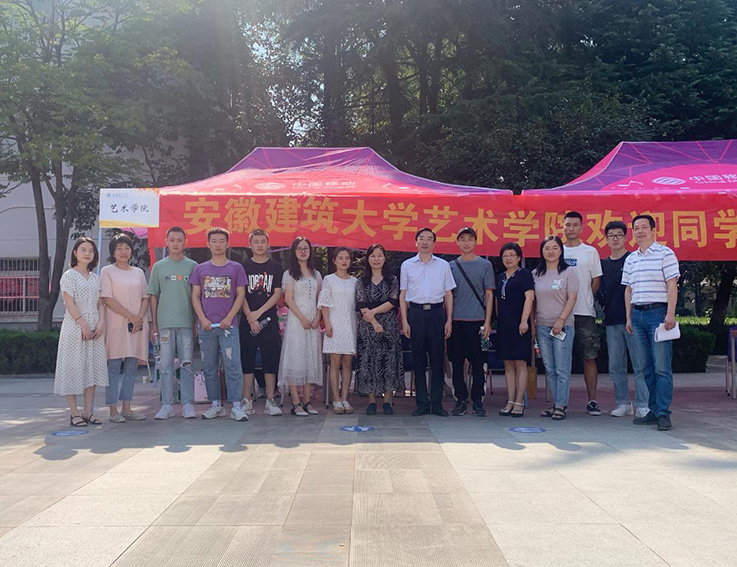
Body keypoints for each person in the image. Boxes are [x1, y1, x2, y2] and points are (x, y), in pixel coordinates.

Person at [623, 215, 680, 431]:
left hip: (658, 314)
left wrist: (670, 314)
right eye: (636, 228)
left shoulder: (665, 253)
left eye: (643, 227)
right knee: (645, 367)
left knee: (662, 367)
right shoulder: (631, 259)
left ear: (653, 230)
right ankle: (654, 410)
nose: (639, 231)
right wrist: (628, 317)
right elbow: (628, 290)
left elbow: (672, 285)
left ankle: (664, 413)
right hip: (637, 316)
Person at [190, 227, 249, 422]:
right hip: (207, 327)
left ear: (227, 243)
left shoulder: (236, 268)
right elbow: (195, 296)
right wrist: (202, 318)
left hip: (229, 327)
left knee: (233, 365)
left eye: (221, 241)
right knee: (209, 366)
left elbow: (240, 295)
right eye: (214, 241)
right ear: (208, 244)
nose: (217, 244)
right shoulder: (200, 269)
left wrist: (230, 317)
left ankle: (236, 405)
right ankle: (215, 404)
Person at [399, 228, 456, 417]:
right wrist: (405, 320)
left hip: (437, 314)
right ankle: (422, 403)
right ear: (416, 242)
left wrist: (448, 320)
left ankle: (437, 403)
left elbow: (448, 294)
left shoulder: (443, 265)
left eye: (429, 239)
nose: (425, 242)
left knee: (438, 360)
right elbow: (403, 294)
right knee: (418, 361)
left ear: (434, 243)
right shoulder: (407, 265)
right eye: (421, 238)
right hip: (415, 314)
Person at [54, 237, 108, 427]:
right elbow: (69, 303)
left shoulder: (95, 278)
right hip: (75, 327)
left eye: (91, 251)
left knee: (91, 368)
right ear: (75, 253)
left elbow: (100, 302)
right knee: (72, 367)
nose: (87, 253)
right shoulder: (69, 276)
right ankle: (74, 412)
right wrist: (83, 324)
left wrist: (101, 322)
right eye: (83, 249)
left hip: (95, 327)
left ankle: (88, 411)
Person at [148, 226, 198, 420]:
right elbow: (153, 295)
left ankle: (187, 404)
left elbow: (197, 296)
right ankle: (167, 405)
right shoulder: (159, 267)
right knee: (165, 366)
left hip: (186, 322)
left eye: (179, 240)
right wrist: (154, 323)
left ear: (185, 242)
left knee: (187, 365)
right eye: (172, 240)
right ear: (166, 242)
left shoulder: (193, 266)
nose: (176, 244)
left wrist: (196, 320)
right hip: (165, 324)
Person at [599, 221, 648, 418]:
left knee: (639, 364)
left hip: (633, 320)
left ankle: (643, 404)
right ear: (606, 239)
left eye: (619, 235)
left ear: (626, 237)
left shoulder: (634, 259)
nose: (615, 239)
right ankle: (623, 403)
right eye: (611, 236)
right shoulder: (603, 264)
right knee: (615, 366)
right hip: (612, 320)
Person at [101, 233, 149, 423]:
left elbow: (145, 297)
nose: (123, 251)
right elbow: (107, 298)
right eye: (119, 248)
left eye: (127, 248)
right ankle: (113, 410)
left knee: (131, 367)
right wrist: (130, 316)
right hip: (116, 325)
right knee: (113, 367)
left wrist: (139, 318)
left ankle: (127, 407)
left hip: (136, 326)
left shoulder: (138, 272)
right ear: (113, 252)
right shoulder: (107, 271)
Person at [447, 227, 494, 417]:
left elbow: (489, 294)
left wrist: (488, 322)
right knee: (457, 363)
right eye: (463, 239)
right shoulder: (450, 266)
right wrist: (448, 321)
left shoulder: (485, 265)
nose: (466, 243)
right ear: (457, 242)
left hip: (478, 321)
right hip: (456, 321)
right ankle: (460, 400)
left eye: (470, 239)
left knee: (479, 363)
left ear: (475, 242)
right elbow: (448, 296)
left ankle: (477, 400)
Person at [239, 229, 284, 417]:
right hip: (247, 321)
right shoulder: (242, 266)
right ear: (250, 245)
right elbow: (240, 293)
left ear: (268, 244)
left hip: (269, 320)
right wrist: (250, 315)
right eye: (256, 242)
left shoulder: (276, 266)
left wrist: (258, 313)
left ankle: (270, 400)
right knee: (247, 361)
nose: (259, 245)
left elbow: (277, 293)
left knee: (270, 361)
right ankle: (246, 400)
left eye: (262, 242)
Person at [562, 211, 603, 416]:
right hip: (561, 316)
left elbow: (596, 281)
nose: (571, 229)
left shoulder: (590, 252)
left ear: (581, 227)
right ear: (563, 227)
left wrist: (584, 297)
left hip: (584, 312)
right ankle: (560, 402)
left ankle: (592, 400)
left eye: (575, 225)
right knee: (561, 360)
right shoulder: (556, 250)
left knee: (589, 357)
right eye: (567, 225)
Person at [355, 244, 404, 415]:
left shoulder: (392, 279)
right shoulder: (361, 281)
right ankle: (371, 401)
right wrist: (374, 322)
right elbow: (361, 303)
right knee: (368, 361)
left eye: (379, 255)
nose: (376, 259)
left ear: (384, 258)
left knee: (389, 361)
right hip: (368, 327)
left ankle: (387, 400)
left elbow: (392, 301)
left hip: (388, 326)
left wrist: (373, 312)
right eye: (373, 256)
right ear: (368, 259)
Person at [534, 236, 579, 421]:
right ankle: (555, 403)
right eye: (547, 248)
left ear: (561, 251)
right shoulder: (536, 274)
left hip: (562, 326)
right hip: (542, 326)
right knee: (549, 368)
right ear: (542, 252)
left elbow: (572, 298)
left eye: (554, 248)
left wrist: (561, 320)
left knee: (562, 367)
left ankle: (561, 405)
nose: (550, 252)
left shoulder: (568, 272)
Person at [278, 237, 323, 416]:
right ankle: (296, 402)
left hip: (313, 323)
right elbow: (288, 299)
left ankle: (307, 400)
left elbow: (320, 299)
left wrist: (317, 317)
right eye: (299, 249)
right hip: (297, 322)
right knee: (294, 358)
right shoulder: (289, 274)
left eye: (306, 248)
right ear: (294, 252)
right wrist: (302, 318)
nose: (303, 252)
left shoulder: (316, 274)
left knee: (309, 359)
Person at [496, 242, 535, 418]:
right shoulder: (500, 277)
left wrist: (524, 321)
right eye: (505, 255)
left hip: (520, 324)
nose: (508, 258)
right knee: (508, 363)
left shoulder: (524, 274)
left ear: (519, 257)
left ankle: (520, 401)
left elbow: (530, 298)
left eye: (512, 255)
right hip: (504, 325)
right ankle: (510, 400)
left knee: (520, 363)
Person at [319, 247, 359, 414]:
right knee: (334, 363)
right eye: (340, 258)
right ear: (334, 261)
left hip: (350, 324)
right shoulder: (329, 279)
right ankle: (335, 399)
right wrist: (327, 323)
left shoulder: (355, 281)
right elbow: (324, 303)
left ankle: (345, 399)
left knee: (348, 363)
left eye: (347, 258)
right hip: (334, 324)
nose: (344, 261)